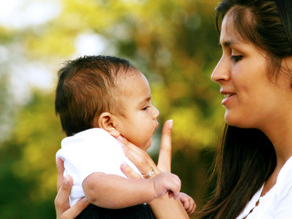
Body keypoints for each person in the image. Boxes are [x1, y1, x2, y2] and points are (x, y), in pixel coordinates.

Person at [55, 0, 292, 218]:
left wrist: (153, 189)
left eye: (237, 55)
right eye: (222, 54)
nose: (217, 73)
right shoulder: (258, 177)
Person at [55, 55, 195, 218]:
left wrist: (170, 197)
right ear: (109, 123)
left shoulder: (117, 150)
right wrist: (152, 188)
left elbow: (130, 191)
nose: (155, 112)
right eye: (144, 107)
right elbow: (95, 188)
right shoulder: (93, 142)